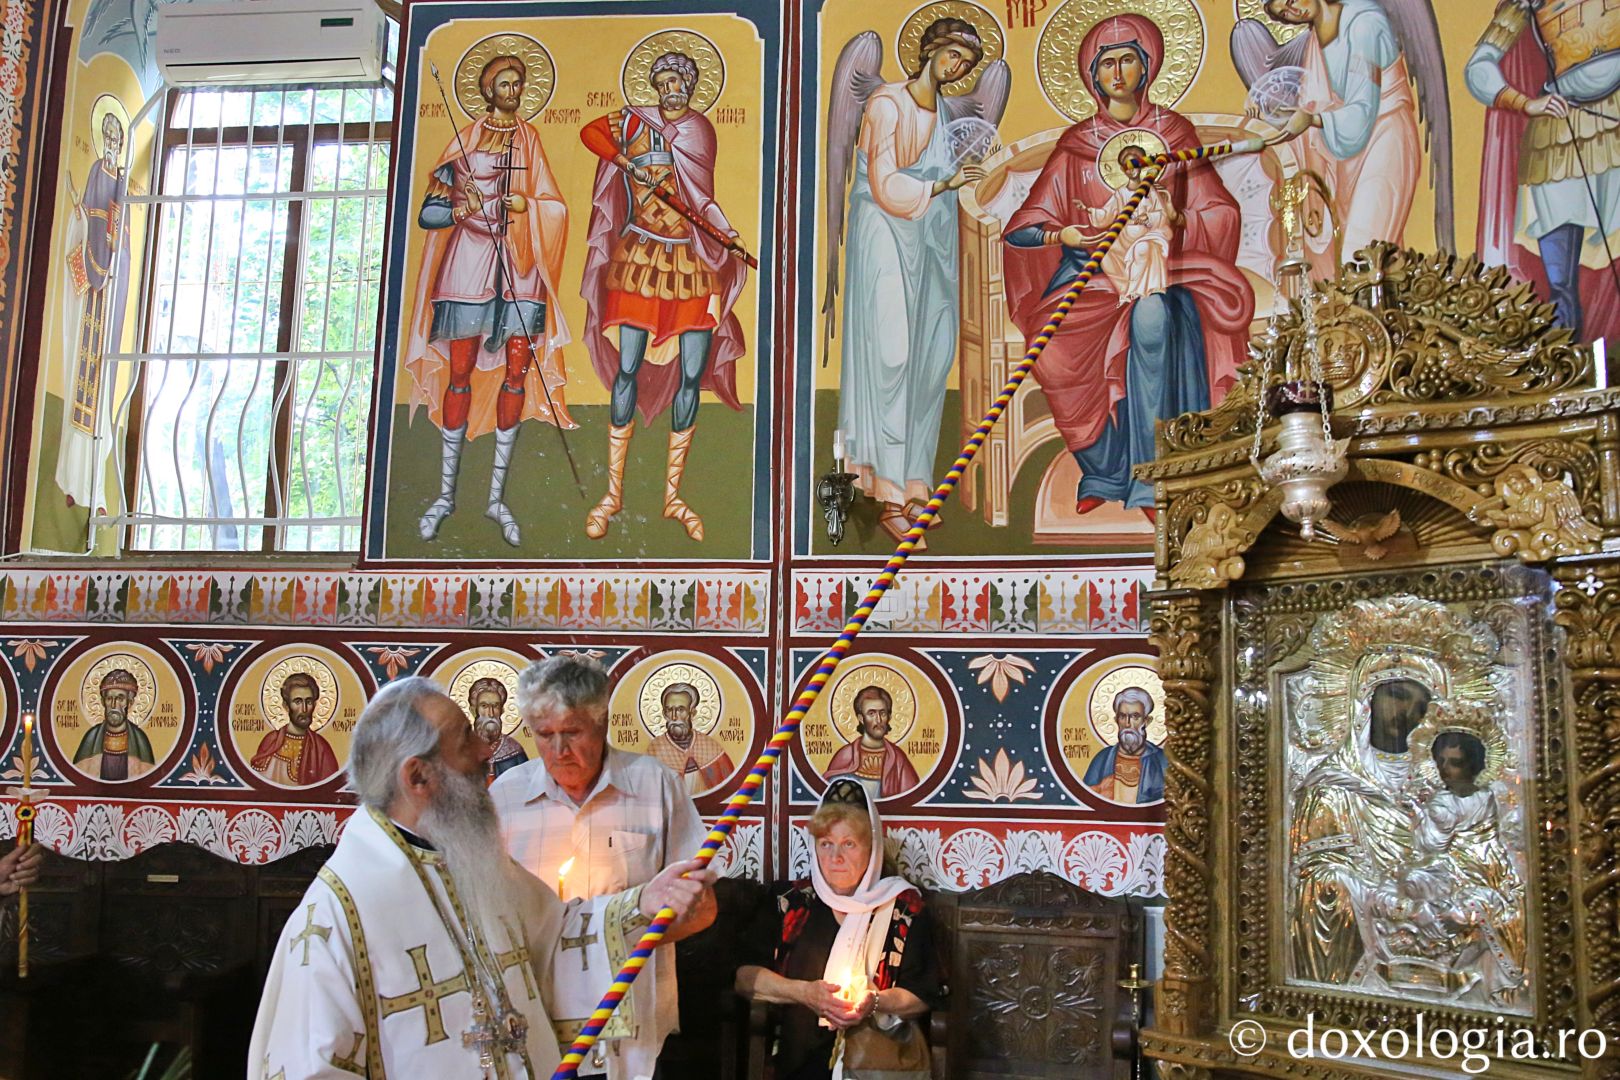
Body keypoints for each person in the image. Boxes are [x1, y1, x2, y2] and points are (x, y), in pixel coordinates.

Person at [250, 676, 714, 1078]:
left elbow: (555, 936)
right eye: (465, 739)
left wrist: (641, 902)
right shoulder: (335, 920)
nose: (485, 750)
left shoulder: (471, 861)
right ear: (418, 777)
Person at [1004, 14, 1252, 522]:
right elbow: (1024, 224)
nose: (1118, 73)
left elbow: (1219, 211)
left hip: (1170, 268)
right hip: (1090, 274)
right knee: (1049, 349)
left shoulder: (1175, 132)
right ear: (1092, 75)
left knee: (1152, 320)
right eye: (1108, 63)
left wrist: (1179, 216)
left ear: (1148, 66)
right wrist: (1063, 234)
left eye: (1128, 61)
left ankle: (1153, 477)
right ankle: (1101, 471)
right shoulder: (1077, 145)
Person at [490, 655, 712, 1080]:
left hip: (631, 1019)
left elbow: (702, 907)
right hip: (535, 1016)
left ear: (602, 721)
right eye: (544, 734)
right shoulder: (504, 797)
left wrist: (613, 935)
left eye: (572, 732)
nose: (559, 750)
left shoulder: (654, 784)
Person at [831, 17, 988, 546]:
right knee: (893, 356)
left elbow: (941, 187)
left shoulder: (944, 115)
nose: (957, 67)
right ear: (930, 52)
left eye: (965, 64)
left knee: (928, 360)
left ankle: (913, 487)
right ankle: (886, 491)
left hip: (929, 247)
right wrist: (944, 182)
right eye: (952, 55)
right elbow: (884, 181)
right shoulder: (886, 104)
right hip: (884, 241)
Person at [407, 53, 574, 548]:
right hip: (466, 269)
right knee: (458, 377)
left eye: (518, 83)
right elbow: (428, 214)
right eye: (504, 83)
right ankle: (445, 495)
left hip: (520, 271)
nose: (513, 90)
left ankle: (497, 497)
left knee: (517, 376)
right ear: (487, 90)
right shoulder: (464, 142)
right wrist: (461, 207)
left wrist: (528, 205)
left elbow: (556, 207)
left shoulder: (530, 140)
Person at [578, 51, 747, 543]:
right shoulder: (632, 122)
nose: (675, 87)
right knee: (626, 368)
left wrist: (726, 231)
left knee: (692, 375)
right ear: (655, 85)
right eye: (667, 79)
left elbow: (703, 197)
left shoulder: (699, 131)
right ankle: (612, 494)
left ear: (693, 87)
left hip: (691, 260)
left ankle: (673, 495)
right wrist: (627, 161)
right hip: (640, 257)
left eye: (683, 80)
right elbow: (591, 134)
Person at [735, 779, 942, 1080]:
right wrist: (804, 992)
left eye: (849, 844)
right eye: (826, 844)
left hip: (875, 1064)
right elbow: (744, 978)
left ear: (872, 848)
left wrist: (873, 1002)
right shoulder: (790, 903)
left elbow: (922, 994)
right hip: (797, 1062)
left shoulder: (903, 908)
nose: (836, 858)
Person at [1468, 0, 1620, 342]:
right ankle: (1566, 358)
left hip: (1615, 120)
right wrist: (1524, 103)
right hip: (1559, 132)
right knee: (1562, 282)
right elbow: (1478, 67)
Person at [1288, 674, 1431, 986]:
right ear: (1366, 700)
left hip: (1426, 905)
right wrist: (1372, 895)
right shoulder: (1329, 786)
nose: (1407, 712)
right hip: (1362, 907)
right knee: (1329, 888)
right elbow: (1310, 870)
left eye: (1420, 707)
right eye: (1398, 696)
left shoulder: (1435, 779)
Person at [1262, 0, 1424, 260]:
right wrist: (1310, 195)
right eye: (1284, 13)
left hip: (1385, 142)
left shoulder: (1364, 24)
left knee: (1361, 254)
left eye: (1291, 1)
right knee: (1372, 260)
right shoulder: (1315, 42)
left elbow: (1362, 110)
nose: (1293, 12)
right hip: (1347, 161)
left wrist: (1313, 119)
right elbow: (1311, 109)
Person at [1088, 144, 1172, 304]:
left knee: (1141, 249)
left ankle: (1136, 290)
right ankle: (1125, 292)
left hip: (1148, 235)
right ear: (1122, 170)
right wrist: (1089, 210)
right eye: (1127, 167)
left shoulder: (1150, 190)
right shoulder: (1120, 193)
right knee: (1104, 255)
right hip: (1125, 237)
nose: (1131, 170)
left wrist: (1148, 217)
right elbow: (1107, 213)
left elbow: (1162, 215)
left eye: (1135, 164)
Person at [825, 686, 920, 801]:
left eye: (883, 713)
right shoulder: (846, 755)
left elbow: (911, 798)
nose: (878, 720)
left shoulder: (898, 759)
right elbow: (832, 794)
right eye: (871, 713)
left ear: (889, 717)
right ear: (861, 718)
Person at [251, 671, 342, 786]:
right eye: (297, 701)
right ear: (286, 705)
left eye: (308, 701)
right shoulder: (270, 742)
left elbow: (329, 789)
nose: (304, 709)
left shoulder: (321, 748)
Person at [645, 681, 735, 794]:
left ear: (692, 713)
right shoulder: (656, 749)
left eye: (680, 710)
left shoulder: (709, 746)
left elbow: (729, 788)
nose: (674, 716)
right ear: (664, 714)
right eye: (669, 710)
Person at [1082, 687, 1166, 804]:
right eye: (1122, 716)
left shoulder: (1162, 760)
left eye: (1135, 716)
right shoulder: (1102, 759)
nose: (1127, 723)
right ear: (1116, 720)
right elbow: (1085, 799)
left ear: (1146, 721)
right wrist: (1101, 789)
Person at [72, 667, 156, 781]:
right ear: (103, 702)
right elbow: (79, 778)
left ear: (129, 703)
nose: (113, 704)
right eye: (109, 698)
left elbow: (147, 779)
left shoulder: (140, 740)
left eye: (120, 698)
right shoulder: (91, 738)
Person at [468, 676, 529, 783]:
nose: (490, 713)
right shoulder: (462, 749)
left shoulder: (514, 750)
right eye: (484, 706)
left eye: (495, 706)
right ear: (474, 710)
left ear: (502, 710)